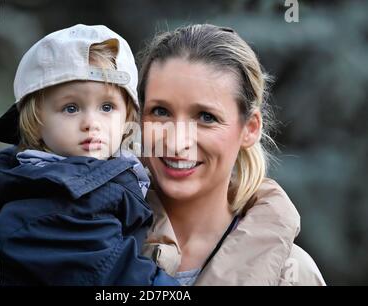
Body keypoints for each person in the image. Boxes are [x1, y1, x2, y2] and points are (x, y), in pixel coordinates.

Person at [0, 24, 178, 285]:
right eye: (70, 108)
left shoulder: (102, 172)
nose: (91, 122)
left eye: (106, 106)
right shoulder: (62, 190)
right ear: (36, 122)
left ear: (127, 117)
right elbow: (116, 273)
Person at [137, 24, 326, 285]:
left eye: (206, 117)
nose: (176, 142)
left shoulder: (293, 274)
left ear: (250, 128)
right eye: (160, 111)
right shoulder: (87, 244)